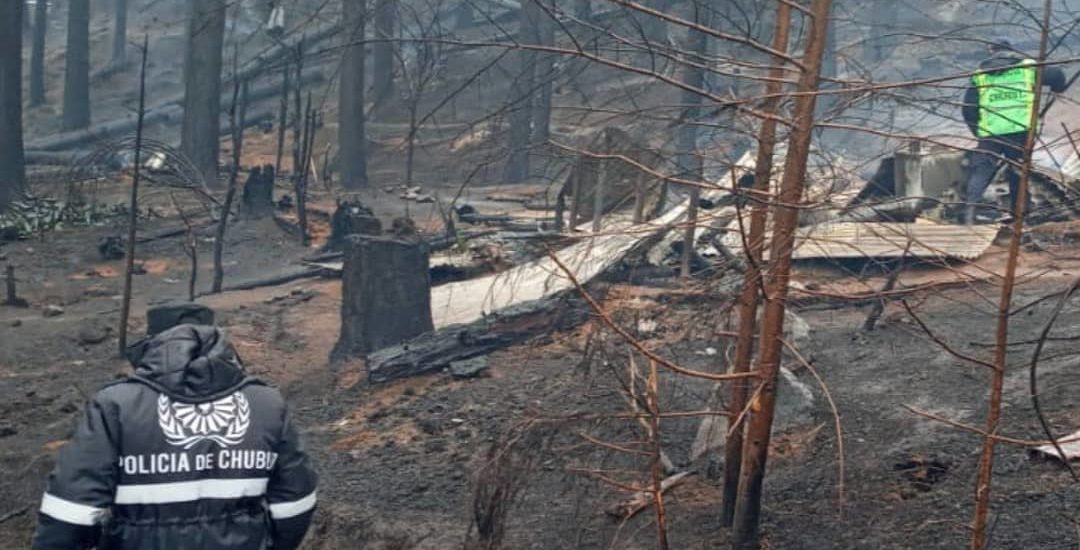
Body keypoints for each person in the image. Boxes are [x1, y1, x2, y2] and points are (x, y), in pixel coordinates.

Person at [30, 303, 317, 550]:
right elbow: (296, 502)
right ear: (216, 337)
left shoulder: (115, 405)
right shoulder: (266, 403)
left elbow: (71, 511)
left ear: (151, 341)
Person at [961, 37, 1067, 223]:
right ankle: (1021, 214)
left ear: (991, 51)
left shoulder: (980, 75)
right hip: (1020, 130)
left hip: (991, 132)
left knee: (982, 170)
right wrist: (1058, 88)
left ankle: (970, 212)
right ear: (1012, 51)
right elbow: (1057, 75)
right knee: (1018, 170)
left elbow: (968, 109)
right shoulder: (1027, 68)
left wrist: (978, 131)